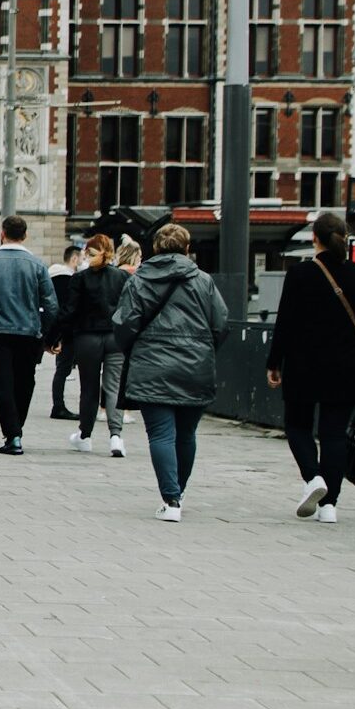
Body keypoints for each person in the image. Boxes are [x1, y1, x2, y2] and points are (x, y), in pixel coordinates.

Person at [266, 212, 355, 524]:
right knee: (334, 434)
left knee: (298, 425)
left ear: (314, 238)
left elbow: (285, 323)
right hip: (348, 366)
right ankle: (330, 506)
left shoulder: (300, 274)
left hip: (305, 365)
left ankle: (313, 478)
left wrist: (274, 362)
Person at [113, 223, 228, 521]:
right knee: (186, 434)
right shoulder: (204, 281)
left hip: (151, 364)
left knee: (161, 434)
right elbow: (221, 324)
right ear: (187, 249)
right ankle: (179, 492)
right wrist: (203, 348)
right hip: (195, 365)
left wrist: (134, 349)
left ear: (155, 248)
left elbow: (124, 323)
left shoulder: (140, 280)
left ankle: (171, 500)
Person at [0, 216, 59, 454]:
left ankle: (12, 433)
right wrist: (46, 336)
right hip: (28, 333)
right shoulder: (37, 265)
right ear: (25, 235)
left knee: (1, 383)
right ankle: (16, 429)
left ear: (2, 233)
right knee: (24, 382)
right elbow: (51, 306)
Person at [57, 234, 129, 457]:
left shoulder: (80, 279)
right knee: (114, 386)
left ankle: (85, 435)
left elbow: (69, 311)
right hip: (115, 338)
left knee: (89, 389)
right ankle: (116, 437)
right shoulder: (122, 277)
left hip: (87, 337)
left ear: (88, 253)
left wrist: (53, 337)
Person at [49, 244, 83, 420]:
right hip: (68, 330)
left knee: (62, 368)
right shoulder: (68, 279)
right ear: (75, 258)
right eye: (81, 258)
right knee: (63, 369)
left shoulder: (53, 277)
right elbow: (68, 307)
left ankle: (58, 405)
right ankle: (58, 406)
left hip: (58, 329)